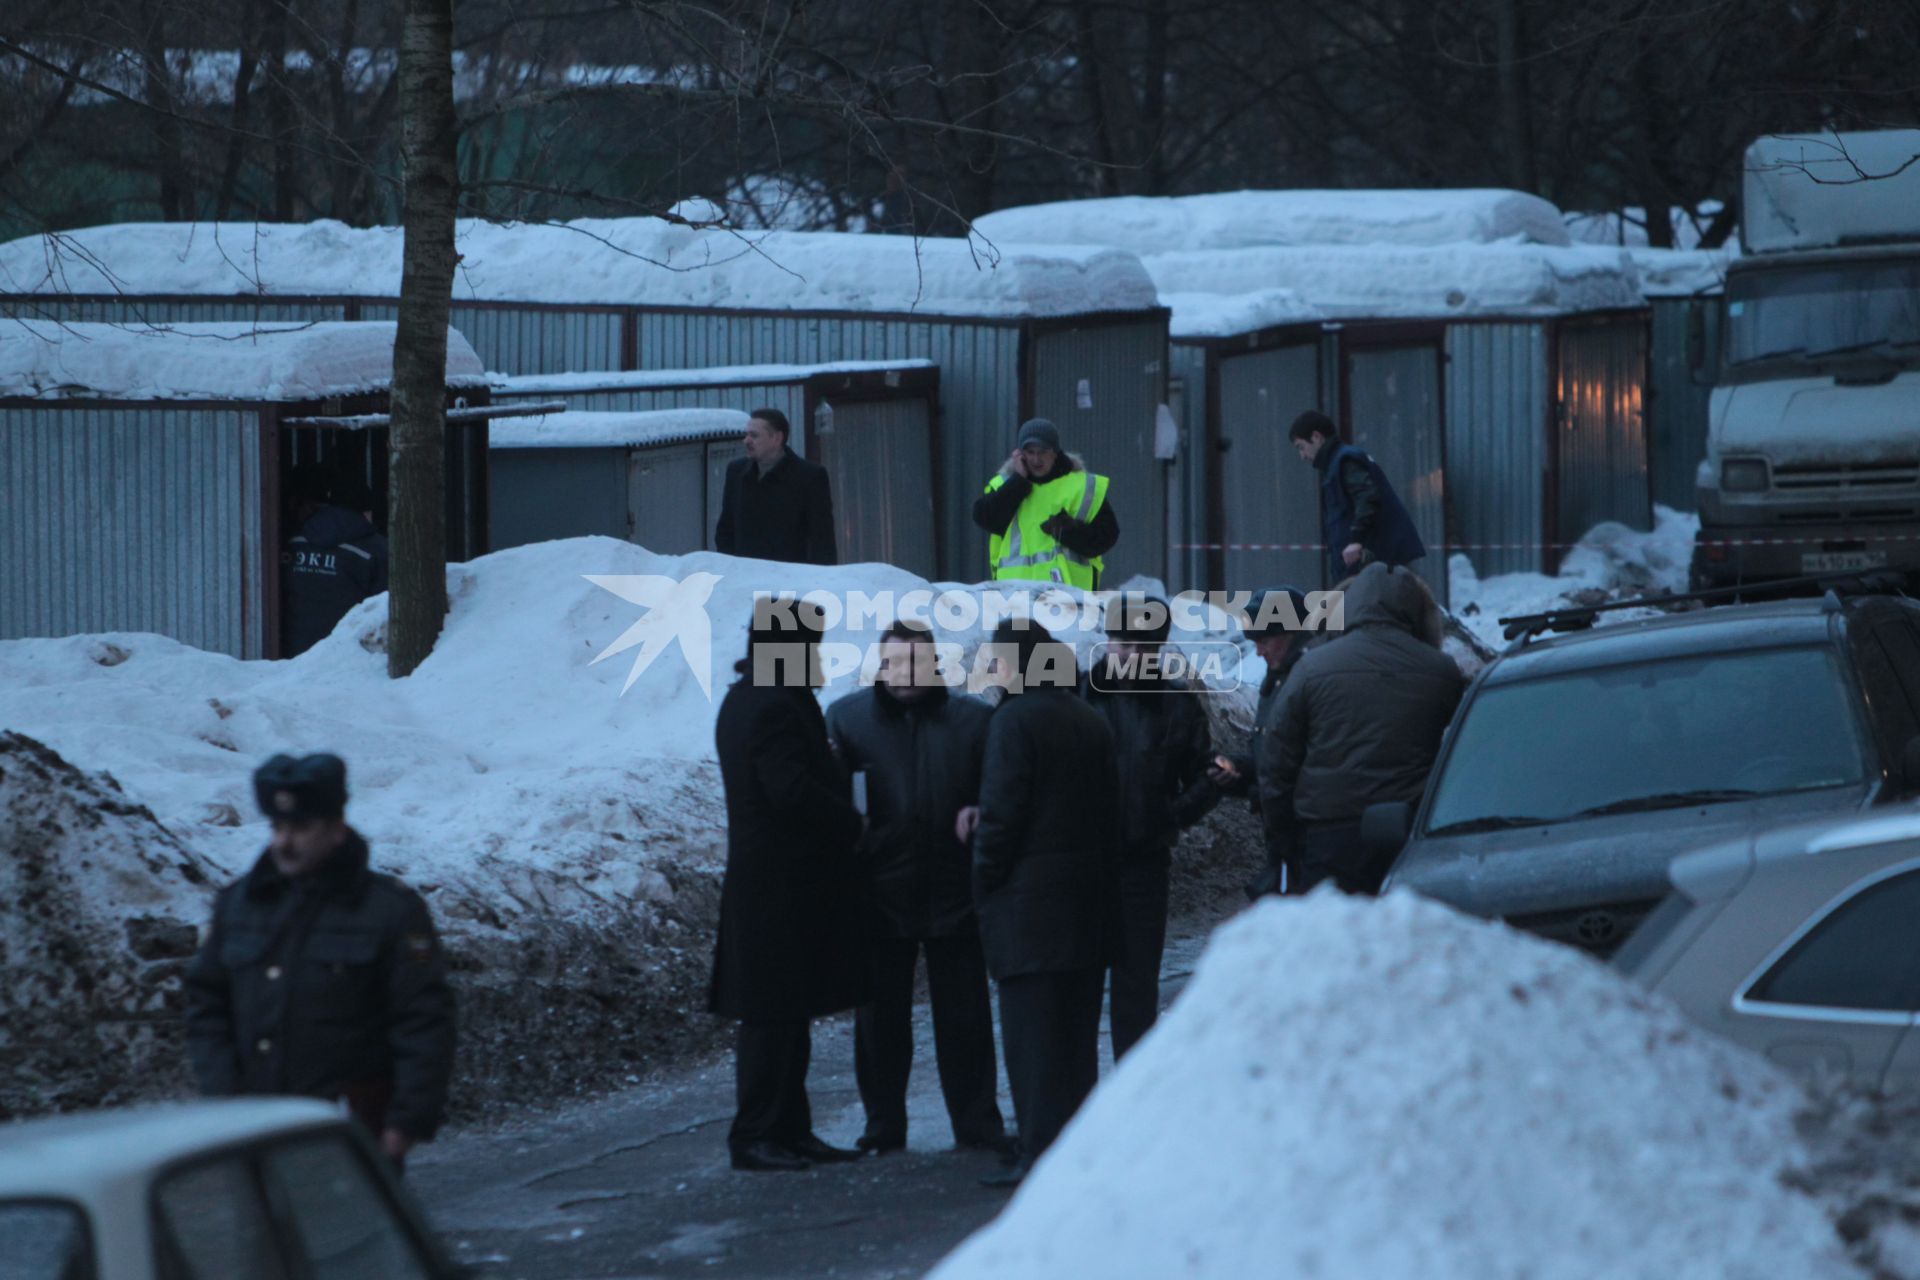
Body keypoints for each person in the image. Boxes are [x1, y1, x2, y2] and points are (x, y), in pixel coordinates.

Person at [183, 753, 455, 1170]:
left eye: (302, 827)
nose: (284, 842)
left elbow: (424, 1020)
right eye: (277, 827)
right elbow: (206, 1002)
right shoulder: (240, 905)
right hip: (251, 1135)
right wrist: (224, 1095)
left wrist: (405, 1124)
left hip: (349, 1138)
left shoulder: (389, 911)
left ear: (337, 829)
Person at [825, 620, 1012, 1156]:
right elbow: (833, 803)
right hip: (880, 891)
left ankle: (976, 1124)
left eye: (915, 663)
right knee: (880, 1021)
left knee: (966, 1016)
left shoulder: (973, 721)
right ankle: (883, 1126)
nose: (905, 674)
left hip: (955, 888)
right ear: (881, 665)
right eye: (895, 662)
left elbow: (999, 792)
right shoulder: (848, 719)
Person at [709, 600, 869, 1171]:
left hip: (777, 884)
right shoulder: (773, 704)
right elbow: (789, 791)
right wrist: (852, 821)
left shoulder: (756, 697)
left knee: (785, 1013)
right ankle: (757, 1135)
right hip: (779, 887)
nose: (816, 655)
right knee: (773, 1017)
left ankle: (789, 1130)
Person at [972, 620, 1120, 1188]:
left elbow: (1002, 817)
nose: (994, 670)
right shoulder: (1090, 719)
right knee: (1076, 1040)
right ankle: (1075, 1150)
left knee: (1032, 1042)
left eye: (1000, 661)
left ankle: (1038, 1151)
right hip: (1087, 906)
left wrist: (983, 880)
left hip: (1028, 910)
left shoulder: (1013, 722)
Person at [1258, 563, 1464, 894]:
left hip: (1329, 838)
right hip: (1409, 832)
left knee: (1337, 939)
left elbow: (1277, 764)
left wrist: (1287, 841)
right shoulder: (1440, 671)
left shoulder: (1312, 667)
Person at [1083, 597, 1219, 1060]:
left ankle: (1131, 1099)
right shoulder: (1077, 696)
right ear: (1109, 643)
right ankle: (1074, 1109)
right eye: (1124, 645)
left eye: (1144, 648)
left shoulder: (1177, 705)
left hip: (1143, 867)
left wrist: (1172, 814)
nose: (1132, 656)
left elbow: (1208, 774)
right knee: (1076, 990)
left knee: (1136, 989)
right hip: (1080, 865)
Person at [1208, 586, 1321, 897]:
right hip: (1284, 838)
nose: (1259, 651)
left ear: (1293, 634)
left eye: (1266, 640)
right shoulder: (1278, 680)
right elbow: (1272, 756)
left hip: (1306, 838)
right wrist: (1235, 770)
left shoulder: (1308, 682)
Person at [971, 418, 1119, 590]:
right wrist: (1018, 481)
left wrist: (1067, 532)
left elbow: (1106, 536)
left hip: (1071, 598)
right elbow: (985, 518)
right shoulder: (1005, 485)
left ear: (1055, 452)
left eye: (1042, 452)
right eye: (1030, 452)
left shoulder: (1082, 486)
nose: (1036, 459)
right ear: (1020, 454)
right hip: (1016, 598)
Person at [1288, 410, 1425, 583]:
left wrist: (1356, 541)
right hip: (1362, 565)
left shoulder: (1345, 461)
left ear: (1316, 437)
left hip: (1372, 564)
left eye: (1301, 447)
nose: (1302, 456)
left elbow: (1367, 497)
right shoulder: (1335, 467)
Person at [282, 466, 388, 657]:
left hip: (292, 657)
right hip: (346, 660)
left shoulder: (290, 540)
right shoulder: (378, 550)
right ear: (365, 511)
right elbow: (385, 608)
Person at [713, 408, 838, 565]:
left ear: (777, 439)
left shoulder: (809, 477)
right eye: (747, 435)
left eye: (754, 435)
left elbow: (822, 539)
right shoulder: (736, 472)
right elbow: (725, 529)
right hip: (745, 578)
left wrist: (819, 581)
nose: (746, 440)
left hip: (789, 579)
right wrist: (730, 569)